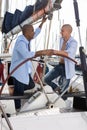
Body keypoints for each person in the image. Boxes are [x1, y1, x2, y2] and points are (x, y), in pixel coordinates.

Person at [10, 17, 47, 111]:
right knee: (19, 94)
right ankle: (17, 109)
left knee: (31, 85)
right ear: (27, 32)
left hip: (25, 70)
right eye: (32, 31)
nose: (33, 32)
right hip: (18, 71)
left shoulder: (26, 39)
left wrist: (42, 23)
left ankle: (16, 90)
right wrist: (41, 52)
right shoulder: (21, 42)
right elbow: (26, 55)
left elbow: (36, 34)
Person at [44, 24, 78, 94]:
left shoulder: (73, 42)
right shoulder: (61, 39)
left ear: (69, 32)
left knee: (63, 92)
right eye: (61, 31)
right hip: (60, 65)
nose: (60, 32)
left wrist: (54, 51)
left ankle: (62, 100)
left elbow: (67, 54)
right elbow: (61, 52)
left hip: (67, 69)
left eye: (62, 31)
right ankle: (57, 88)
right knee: (45, 79)